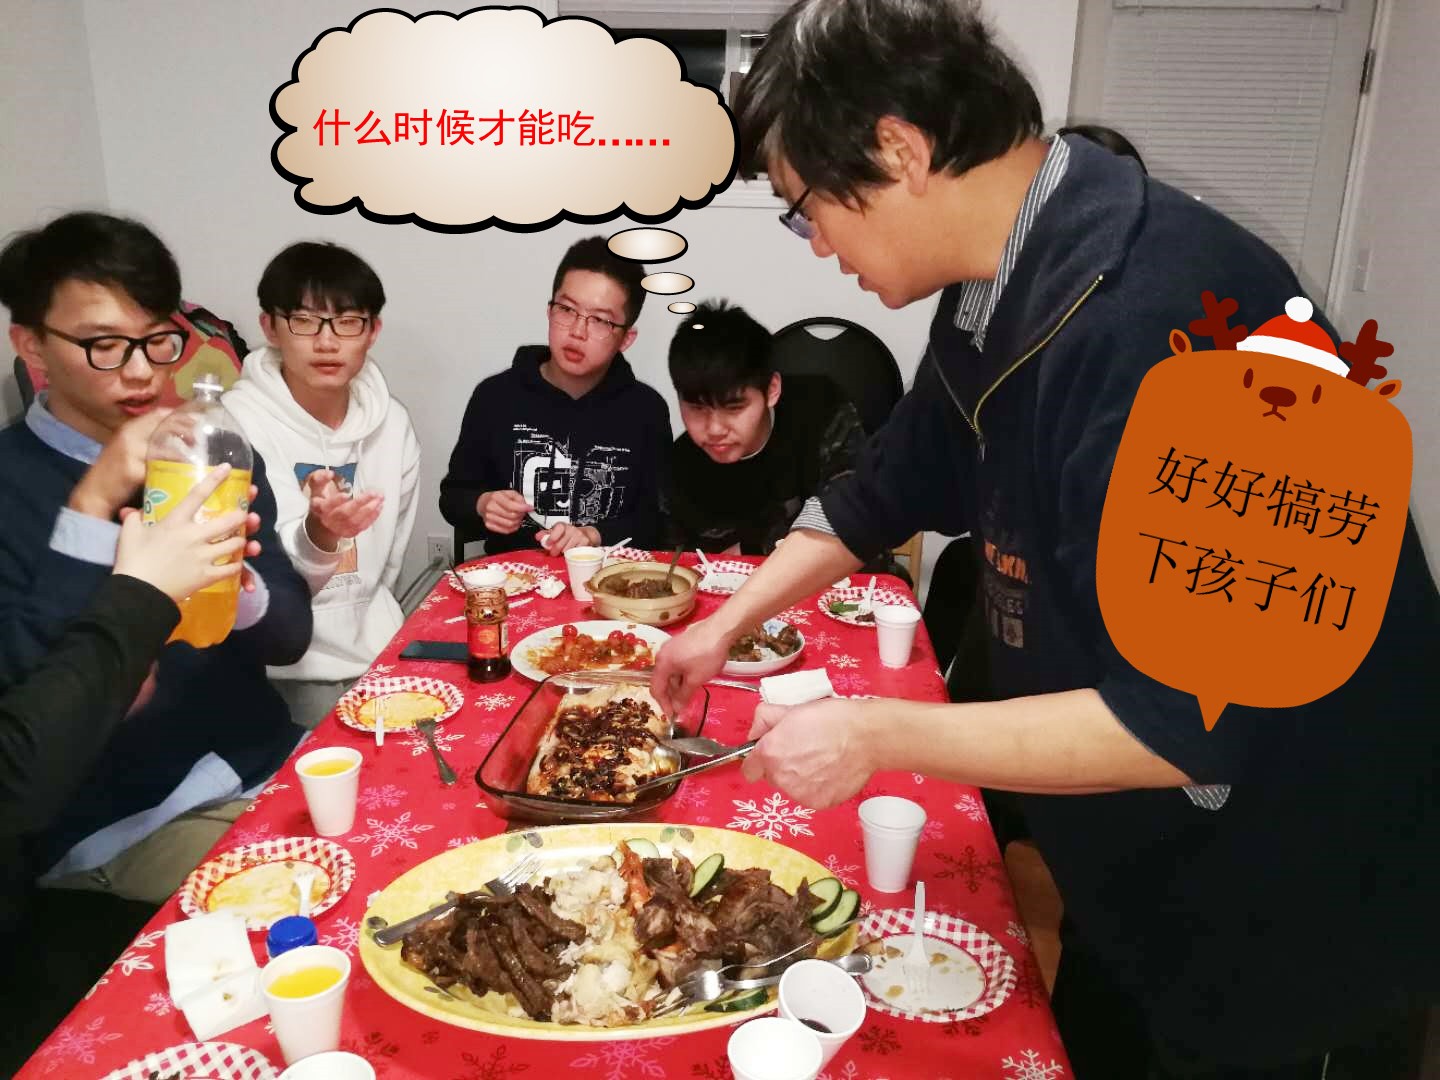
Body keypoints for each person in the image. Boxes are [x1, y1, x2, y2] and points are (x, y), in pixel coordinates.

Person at [651, 2, 1439, 1077]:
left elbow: (1179, 725)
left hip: (1292, 904)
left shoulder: (1171, 321)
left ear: (899, 149)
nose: (818, 244)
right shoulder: (994, 291)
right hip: (1139, 879)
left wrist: (874, 732)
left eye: (807, 210)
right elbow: (879, 491)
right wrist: (722, 626)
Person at [0, 211, 311, 906]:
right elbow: (32, 721)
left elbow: (291, 637)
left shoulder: (212, 450)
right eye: (104, 345)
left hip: (262, 759)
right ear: (32, 345)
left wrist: (237, 581)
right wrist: (93, 505)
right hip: (125, 823)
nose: (142, 372)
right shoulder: (12, 483)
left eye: (156, 340)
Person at [0, 467, 249, 1074]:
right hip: (98, 846)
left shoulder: (207, 463)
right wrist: (126, 570)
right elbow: (24, 769)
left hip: (231, 770)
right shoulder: (20, 479)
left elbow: (282, 630)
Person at [223, 241, 420, 730]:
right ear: (270, 326)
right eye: (305, 321)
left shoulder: (392, 424)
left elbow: (390, 559)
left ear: (372, 331)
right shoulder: (233, 427)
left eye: (347, 322)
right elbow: (245, 578)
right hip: (278, 671)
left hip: (380, 655)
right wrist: (320, 533)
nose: (327, 342)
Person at [439, 236, 671, 555]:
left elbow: (656, 522)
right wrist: (483, 503)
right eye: (567, 309)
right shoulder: (495, 397)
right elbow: (453, 498)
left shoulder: (646, 410)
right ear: (549, 311)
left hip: (611, 577)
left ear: (626, 339)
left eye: (600, 320)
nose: (577, 331)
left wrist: (594, 534)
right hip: (515, 575)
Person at [663, 299, 867, 555]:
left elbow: (857, 515)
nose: (715, 429)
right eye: (697, 408)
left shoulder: (822, 409)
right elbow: (679, 562)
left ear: (772, 390)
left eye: (734, 408)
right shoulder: (680, 465)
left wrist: (750, 546)